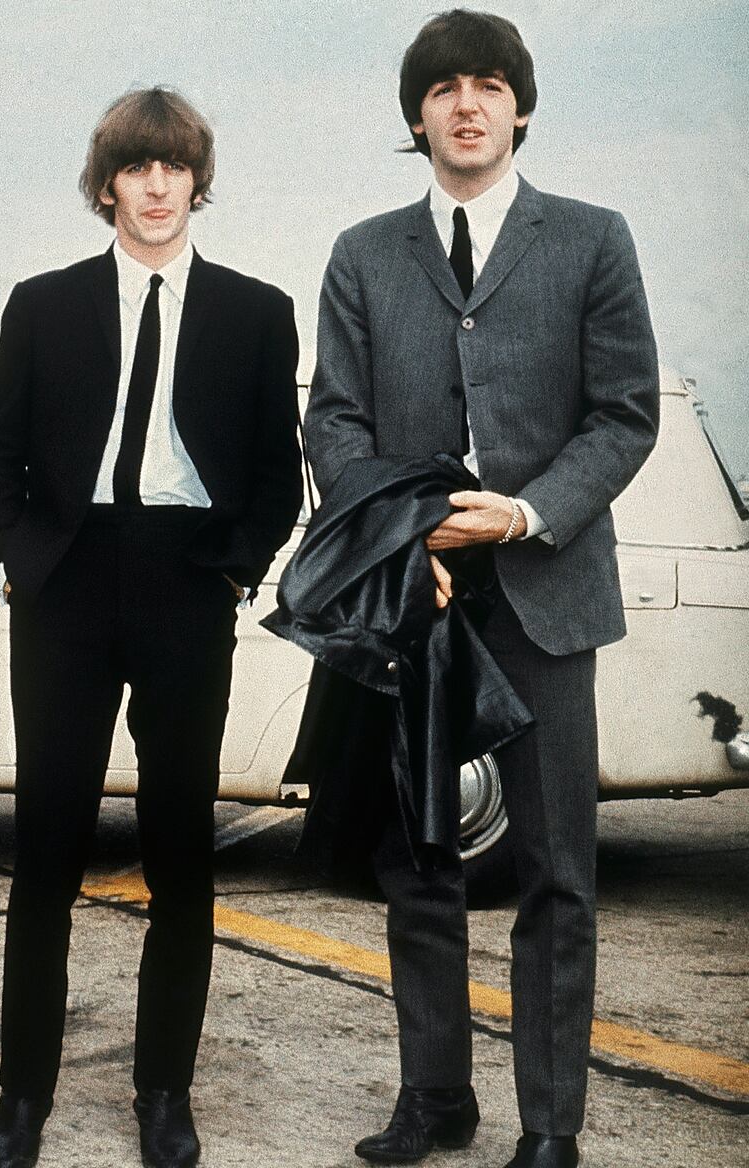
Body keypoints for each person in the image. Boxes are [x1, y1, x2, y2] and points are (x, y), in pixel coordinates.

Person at [306, 11, 658, 1168]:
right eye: (445, 87)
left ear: (518, 106)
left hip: (546, 592)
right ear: (417, 116)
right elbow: (335, 418)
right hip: (418, 600)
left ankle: (549, 1125)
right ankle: (435, 1099)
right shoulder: (363, 254)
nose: (467, 103)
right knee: (417, 858)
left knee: (557, 868)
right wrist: (406, 541)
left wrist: (524, 510)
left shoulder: (592, 240)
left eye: (489, 85)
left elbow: (623, 414)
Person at [0, 87, 302, 1168]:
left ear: (196, 180)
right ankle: (23, 1096)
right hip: (64, 583)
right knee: (45, 850)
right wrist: (21, 564)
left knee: (180, 856)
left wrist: (230, 574)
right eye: (135, 167)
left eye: (173, 168)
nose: (155, 187)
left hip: (184, 581)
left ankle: (164, 1091)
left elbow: (272, 477)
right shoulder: (43, 303)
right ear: (105, 181)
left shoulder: (255, 311)